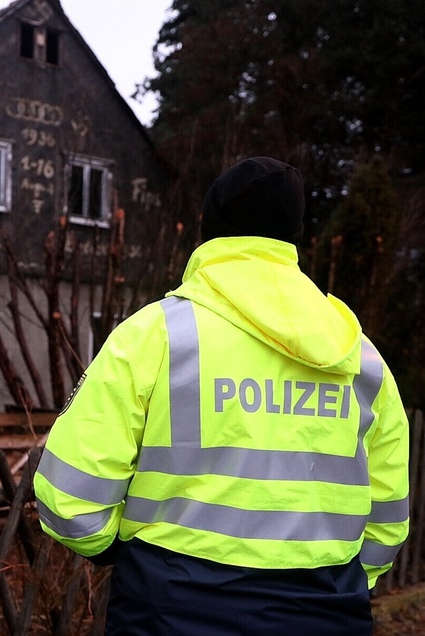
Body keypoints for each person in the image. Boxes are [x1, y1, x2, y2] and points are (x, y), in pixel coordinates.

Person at [34, 157, 409, 634]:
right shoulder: (362, 357)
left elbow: (69, 497)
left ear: (209, 230)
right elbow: (388, 519)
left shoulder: (156, 336)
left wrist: (117, 552)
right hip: (325, 611)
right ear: (293, 235)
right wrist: (340, 583)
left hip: (169, 611)